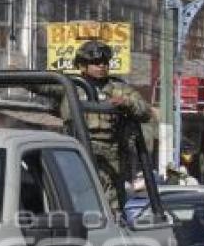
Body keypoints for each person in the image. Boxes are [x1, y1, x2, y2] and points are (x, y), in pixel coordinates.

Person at [35, 40, 152, 207]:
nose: (102, 66)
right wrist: (14, 73)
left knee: (110, 205)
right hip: (75, 152)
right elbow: (39, 85)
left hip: (110, 158)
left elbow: (145, 112)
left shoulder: (119, 88)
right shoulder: (68, 86)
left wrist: (127, 103)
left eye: (105, 62)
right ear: (82, 66)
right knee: (72, 201)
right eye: (96, 63)